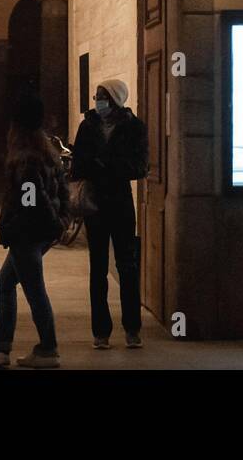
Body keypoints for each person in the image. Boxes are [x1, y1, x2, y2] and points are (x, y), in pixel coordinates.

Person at [0, 95, 70, 369]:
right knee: (5, 284)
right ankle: (1, 348)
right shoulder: (46, 153)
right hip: (37, 232)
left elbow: (33, 202)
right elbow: (62, 192)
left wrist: (23, 227)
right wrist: (61, 222)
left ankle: (47, 349)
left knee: (34, 290)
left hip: (26, 234)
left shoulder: (26, 160)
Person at [71, 78, 149, 350]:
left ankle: (132, 329)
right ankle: (100, 331)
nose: (97, 102)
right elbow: (77, 165)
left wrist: (108, 166)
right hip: (95, 204)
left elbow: (140, 166)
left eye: (102, 97)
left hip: (120, 202)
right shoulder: (88, 126)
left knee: (127, 266)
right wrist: (94, 166)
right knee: (98, 268)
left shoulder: (134, 127)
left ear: (115, 99)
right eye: (95, 96)